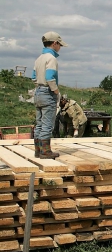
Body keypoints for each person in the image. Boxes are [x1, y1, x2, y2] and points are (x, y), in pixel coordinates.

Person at [32, 31, 68, 159]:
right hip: (48, 92)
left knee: (39, 123)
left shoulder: (39, 59)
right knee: (47, 124)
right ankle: (46, 152)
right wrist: (56, 92)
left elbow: (33, 77)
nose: (60, 48)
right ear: (54, 43)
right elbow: (50, 77)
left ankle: (38, 150)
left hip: (38, 92)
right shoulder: (51, 59)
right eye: (60, 45)